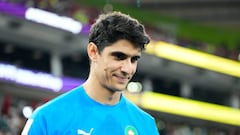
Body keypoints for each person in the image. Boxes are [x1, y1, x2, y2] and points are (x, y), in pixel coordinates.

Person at [21, 11, 160, 135]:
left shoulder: (146, 125)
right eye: (119, 56)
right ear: (93, 52)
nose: (127, 69)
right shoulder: (48, 118)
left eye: (134, 59)